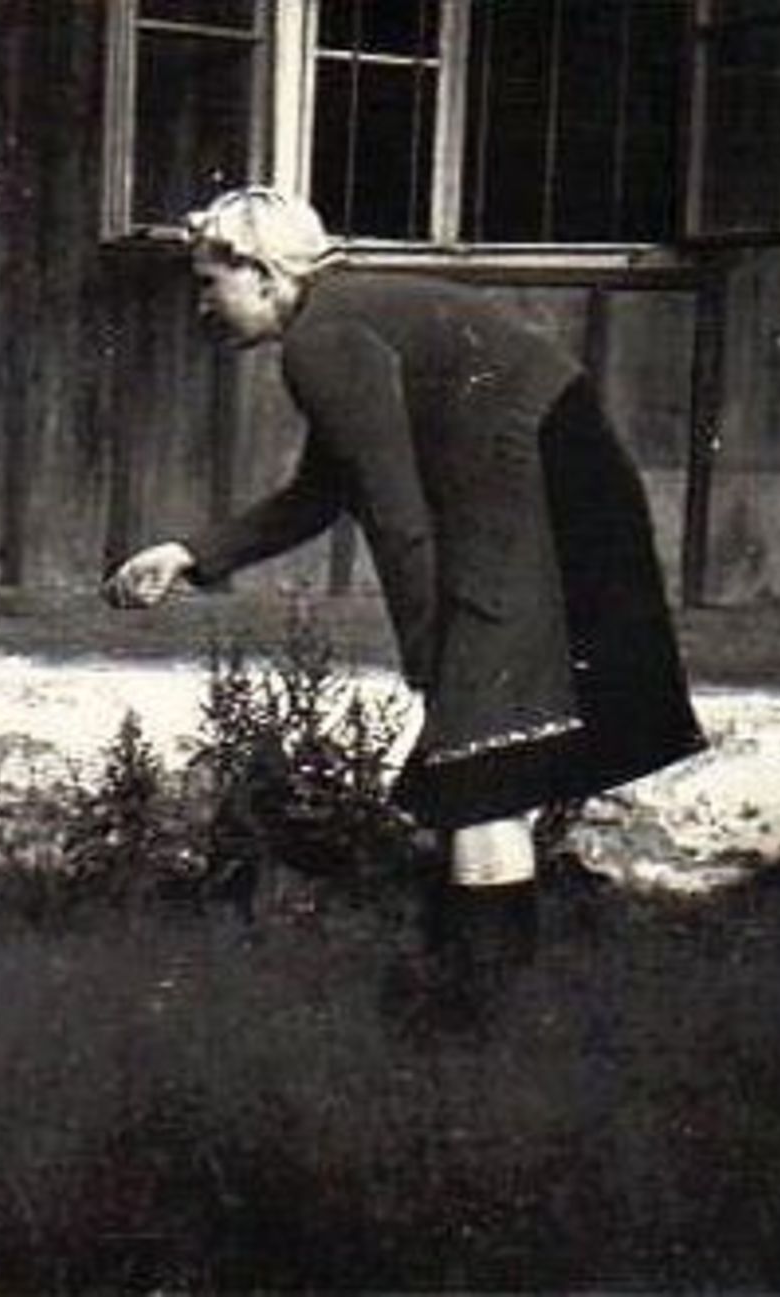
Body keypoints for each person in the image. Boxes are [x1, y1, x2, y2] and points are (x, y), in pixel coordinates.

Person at [103, 187, 706, 1026]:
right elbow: (324, 492)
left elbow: (395, 511)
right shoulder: (337, 320)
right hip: (557, 478)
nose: (202, 304)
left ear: (263, 272)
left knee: (479, 765)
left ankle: (474, 1021)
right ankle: (476, 1012)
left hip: (541, 488)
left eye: (210, 282)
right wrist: (190, 554)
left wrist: (431, 653)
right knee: (483, 763)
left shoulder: (321, 340)